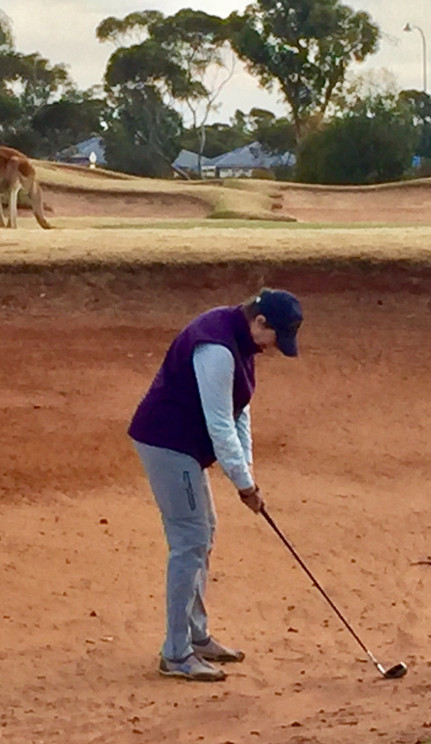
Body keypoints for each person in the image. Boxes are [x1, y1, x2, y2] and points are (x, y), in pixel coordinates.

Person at [128, 289, 303, 682]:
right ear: (260, 322)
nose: (275, 347)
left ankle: (196, 635)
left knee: (203, 532)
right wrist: (244, 487)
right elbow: (219, 424)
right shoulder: (217, 348)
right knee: (190, 539)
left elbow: (240, 412)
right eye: (276, 337)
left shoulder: (241, 342)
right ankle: (176, 653)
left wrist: (248, 474)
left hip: (185, 446)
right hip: (167, 443)